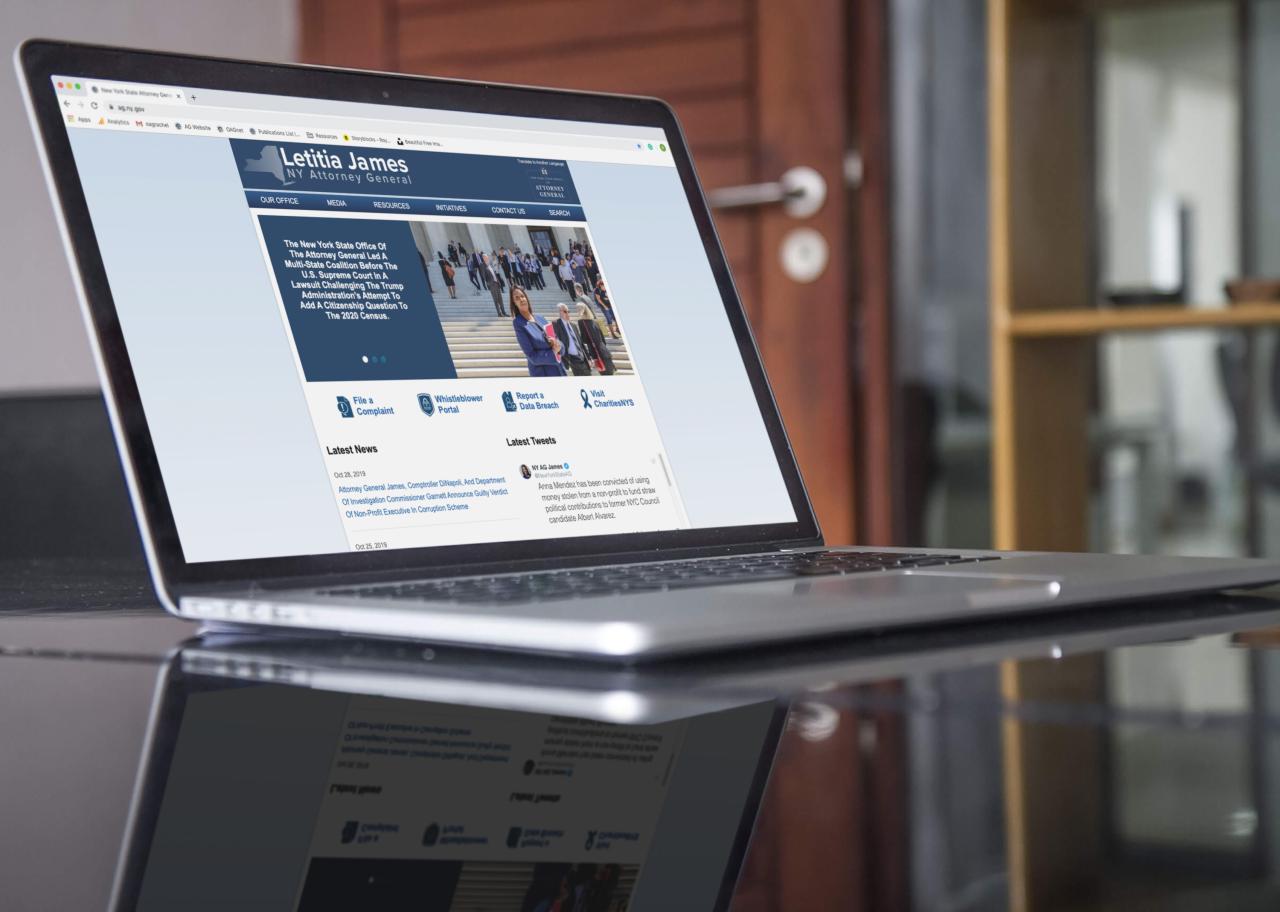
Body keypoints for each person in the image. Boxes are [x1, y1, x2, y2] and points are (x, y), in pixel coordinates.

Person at [511, 286, 564, 377]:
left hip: (559, 370)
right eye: (517, 298)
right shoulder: (518, 323)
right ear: (514, 303)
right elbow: (532, 356)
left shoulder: (540, 318)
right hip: (543, 374)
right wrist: (553, 352)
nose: (521, 299)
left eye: (522, 296)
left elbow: (557, 339)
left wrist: (559, 346)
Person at [575, 299, 615, 375]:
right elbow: (602, 337)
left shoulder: (581, 322)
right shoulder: (594, 320)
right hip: (603, 349)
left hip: (595, 351)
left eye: (578, 309)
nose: (577, 310)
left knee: (604, 372)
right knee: (609, 371)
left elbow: (584, 339)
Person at [553, 303, 592, 376]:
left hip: (583, 358)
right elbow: (556, 341)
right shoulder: (556, 324)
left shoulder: (573, 325)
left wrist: (588, 358)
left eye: (568, 311)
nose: (567, 314)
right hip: (572, 359)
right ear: (559, 312)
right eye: (565, 311)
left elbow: (581, 344)